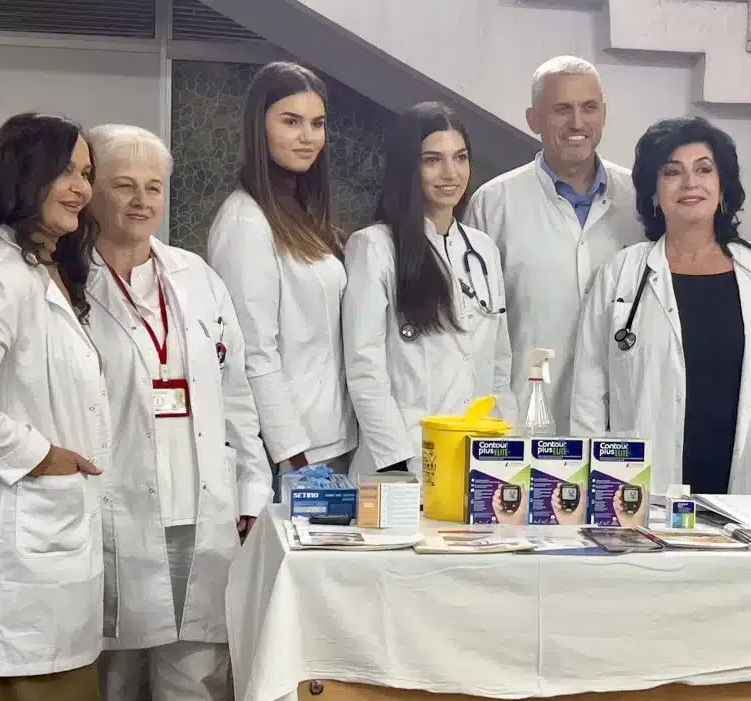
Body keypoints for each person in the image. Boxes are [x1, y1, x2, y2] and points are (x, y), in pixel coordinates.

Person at [83, 124, 271, 701]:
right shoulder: (67, 280)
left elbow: (236, 391)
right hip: (113, 508)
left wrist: (252, 488)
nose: (142, 202)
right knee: (108, 695)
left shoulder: (196, 277)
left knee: (199, 691)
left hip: (201, 508)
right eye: (123, 186)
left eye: (154, 187)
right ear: (91, 191)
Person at [0, 113, 109, 701]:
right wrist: (39, 455)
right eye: (66, 171)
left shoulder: (43, 268)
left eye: (86, 173)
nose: (82, 188)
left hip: (51, 555)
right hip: (19, 565)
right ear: (25, 176)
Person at [570, 117, 751, 496]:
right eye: (672, 172)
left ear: (723, 187)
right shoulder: (620, 275)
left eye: (704, 169)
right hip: (642, 487)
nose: (690, 183)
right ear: (654, 194)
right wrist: (594, 486)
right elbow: (589, 390)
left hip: (750, 484)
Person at [465, 55, 644, 431]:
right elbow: (473, 331)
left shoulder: (641, 200)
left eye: (589, 108)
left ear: (604, 114)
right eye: (562, 109)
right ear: (534, 120)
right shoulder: (494, 204)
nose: (577, 123)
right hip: (523, 424)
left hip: (619, 427)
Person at [343, 102, 516, 476]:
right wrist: (397, 463)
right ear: (409, 168)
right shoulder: (374, 247)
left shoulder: (483, 249)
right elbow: (364, 369)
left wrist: (508, 449)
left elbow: (499, 366)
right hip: (405, 460)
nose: (451, 173)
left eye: (460, 157)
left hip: (478, 459)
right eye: (433, 160)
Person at [209, 62, 356, 476]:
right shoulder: (245, 222)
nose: (308, 137)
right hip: (292, 454)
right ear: (259, 127)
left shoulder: (305, 215)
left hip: (334, 440)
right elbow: (252, 352)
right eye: (291, 122)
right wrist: (293, 455)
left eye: (317, 124)